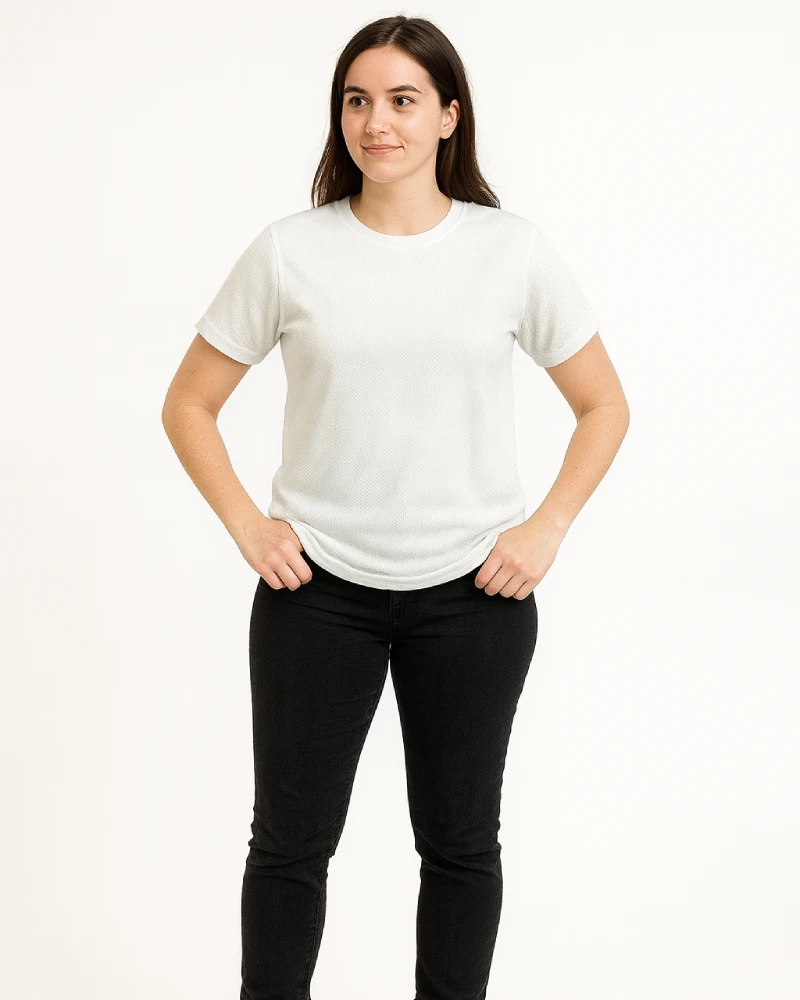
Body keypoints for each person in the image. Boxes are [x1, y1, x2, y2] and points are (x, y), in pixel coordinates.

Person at [162, 14, 629, 1000]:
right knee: (289, 845)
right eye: (358, 100)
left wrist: (544, 527)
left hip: (474, 596)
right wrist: (249, 523)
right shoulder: (289, 252)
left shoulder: (510, 251)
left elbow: (603, 405)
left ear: (449, 116)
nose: (377, 122)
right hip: (314, 594)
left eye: (403, 100)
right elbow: (189, 402)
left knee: (459, 845)